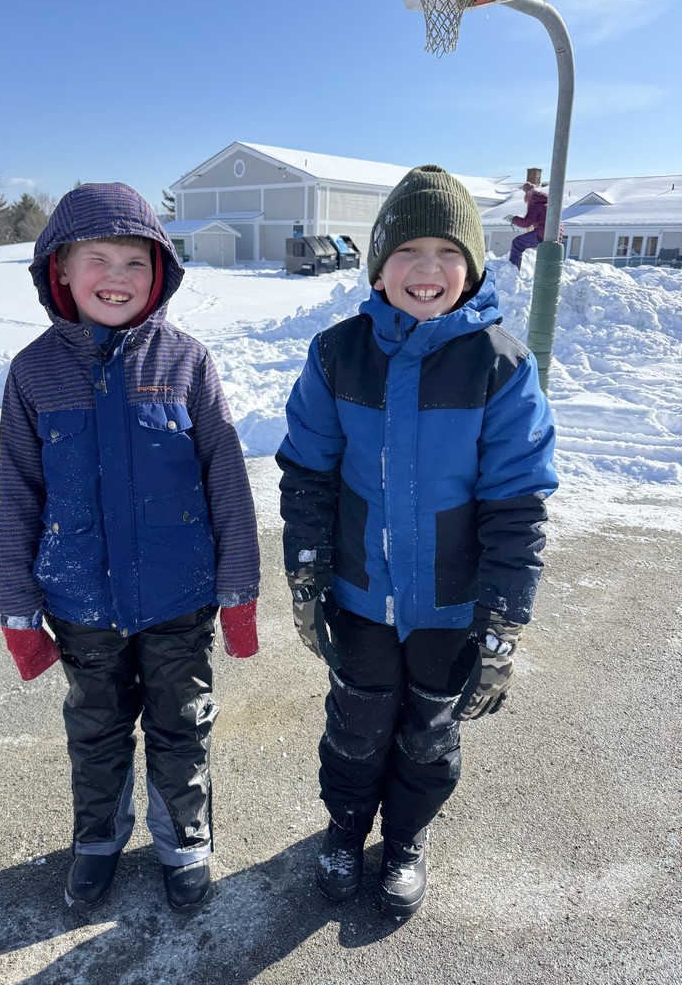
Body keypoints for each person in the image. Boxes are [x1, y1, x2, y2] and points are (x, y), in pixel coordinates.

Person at [276, 165, 558, 920]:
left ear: (471, 266)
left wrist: (503, 621)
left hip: (450, 603)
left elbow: (517, 505)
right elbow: (307, 475)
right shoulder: (339, 356)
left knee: (430, 730)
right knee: (358, 723)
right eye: (407, 251)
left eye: (446, 251)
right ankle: (343, 829)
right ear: (377, 265)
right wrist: (306, 575)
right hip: (364, 595)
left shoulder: (501, 366)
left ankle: (402, 839)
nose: (426, 270)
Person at [0, 182, 260, 913]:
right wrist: (14, 604)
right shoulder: (34, 373)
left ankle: (184, 844)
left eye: (135, 262)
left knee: (181, 727)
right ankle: (98, 840)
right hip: (82, 601)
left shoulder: (186, 363)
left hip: (178, 599)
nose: (117, 277)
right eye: (97, 260)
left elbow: (227, 483)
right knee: (97, 731)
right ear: (61, 272)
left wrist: (239, 591)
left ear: (160, 272)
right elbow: (18, 494)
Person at [506, 180, 561, 269]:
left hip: (543, 234)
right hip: (556, 236)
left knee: (517, 243)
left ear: (528, 195)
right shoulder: (547, 203)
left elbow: (526, 222)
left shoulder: (537, 204)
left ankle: (513, 269)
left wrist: (513, 219)